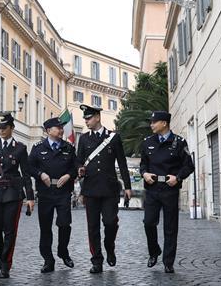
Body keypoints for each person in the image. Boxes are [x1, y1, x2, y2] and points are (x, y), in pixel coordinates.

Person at [75, 104, 132, 274]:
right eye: (85, 118)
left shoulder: (113, 137)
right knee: (92, 226)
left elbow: (122, 162)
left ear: (98, 117)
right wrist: (79, 168)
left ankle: (110, 247)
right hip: (91, 189)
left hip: (109, 189)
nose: (86, 121)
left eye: (89, 118)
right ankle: (96, 260)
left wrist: (128, 186)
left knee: (110, 222)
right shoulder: (84, 139)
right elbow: (78, 160)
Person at [0, 112, 34, 279]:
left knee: (10, 231)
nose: (1, 130)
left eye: (5, 127)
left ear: (12, 128)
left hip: (13, 194)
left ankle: (5, 263)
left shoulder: (20, 148)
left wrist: (30, 197)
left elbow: (26, 174)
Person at [139, 110, 194, 273]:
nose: (151, 125)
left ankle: (168, 262)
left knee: (170, 227)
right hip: (152, 189)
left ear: (164, 123)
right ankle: (154, 251)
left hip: (170, 189)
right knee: (148, 222)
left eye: (154, 122)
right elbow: (143, 164)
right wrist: (144, 173)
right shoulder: (147, 142)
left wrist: (177, 177)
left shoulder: (179, 142)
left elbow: (189, 166)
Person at [28, 117, 77, 273]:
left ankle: (63, 251)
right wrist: (40, 174)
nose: (61, 130)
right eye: (58, 128)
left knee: (64, 224)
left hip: (63, 192)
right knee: (45, 228)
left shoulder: (68, 148)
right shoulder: (38, 148)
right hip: (45, 193)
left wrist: (69, 175)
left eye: (61, 127)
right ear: (49, 131)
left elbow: (75, 167)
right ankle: (48, 260)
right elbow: (29, 167)